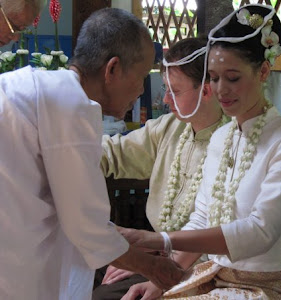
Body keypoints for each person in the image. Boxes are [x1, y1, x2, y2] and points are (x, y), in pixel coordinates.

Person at [119, 4, 281, 300]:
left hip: (272, 285)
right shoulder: (222, 137)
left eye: (232, 77)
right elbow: (202, 218)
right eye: (214, 77)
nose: (221, 89)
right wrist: (161, 278)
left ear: (263, 71)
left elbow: (260, 232)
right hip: (217, 276)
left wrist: (158, 239)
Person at [0, 7, 184, 300]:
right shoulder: (69, 105)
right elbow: (86, 226)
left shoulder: (38, 90)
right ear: (112, 69)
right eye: (141, 77)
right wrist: (153, 267)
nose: (142, 90)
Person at [93, 37, 228, 300]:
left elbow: (221, 231)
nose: (165, 99)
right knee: (77, 266)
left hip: (200, 266)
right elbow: (113, 153)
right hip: (156, 250)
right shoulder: (168, 128)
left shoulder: (234, 140)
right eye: (166, 88)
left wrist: (154, 260)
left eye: (174, 91)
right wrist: (61, 155)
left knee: (102, 296)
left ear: (206, 90)